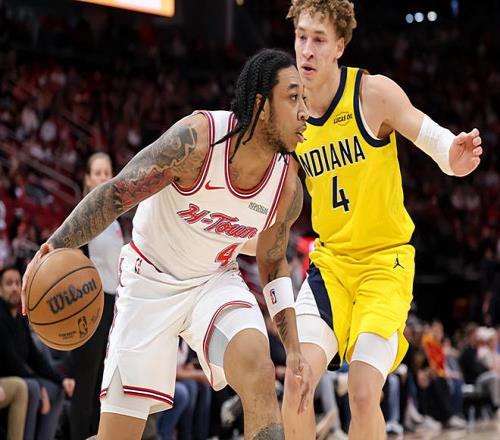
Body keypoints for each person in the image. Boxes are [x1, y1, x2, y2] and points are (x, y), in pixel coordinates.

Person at [21, 48, 312, 440]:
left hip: (213, 282)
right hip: (149, 282)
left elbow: (273, 261)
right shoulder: (198, 141)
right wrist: (54, 246)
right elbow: (117, 194)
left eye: (305, 99)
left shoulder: (288, 185)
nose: (305, 111)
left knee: (259, 370)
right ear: (261, 105)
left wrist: (293, 346)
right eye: (293, 98)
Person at [283, 1, 484, 439]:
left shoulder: (371, 93)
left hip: (383, 265)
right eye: (301, 37)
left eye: (319, 40)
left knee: (361, 390)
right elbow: (275, 194)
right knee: (297, 380)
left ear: (340, 45)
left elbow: (432, 138)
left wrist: (453, 156)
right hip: (331, 266)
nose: (307, 50)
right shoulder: (288, 110)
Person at [69, 152, 124, 440]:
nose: (103, 177)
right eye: (98, 173)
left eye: (107, 172)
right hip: (91, 302)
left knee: (102, 382)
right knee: (86, 380)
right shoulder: (84, 213)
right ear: (88, 179)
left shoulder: (114, 218)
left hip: (113, 303)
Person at [0, 266, 75, 440]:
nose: (14, 288)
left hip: (21, 378)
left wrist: (61, 380)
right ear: (0, 289)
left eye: (17, 283)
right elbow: (12, 362)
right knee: (33, 388)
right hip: (8, 379)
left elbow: (36, 358)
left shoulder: (19, 319)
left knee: (57, 389)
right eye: (9, 284)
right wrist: (40, 386)